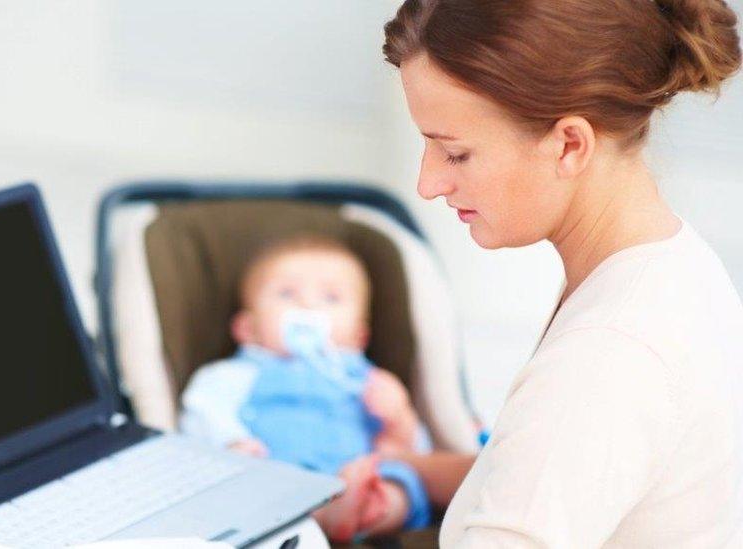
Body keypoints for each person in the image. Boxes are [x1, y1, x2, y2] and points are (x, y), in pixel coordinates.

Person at [382, 0, 743, 546]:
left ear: (570, 144)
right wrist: (408, 470)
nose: (427, 184)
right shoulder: (674, 267)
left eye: (454, 154)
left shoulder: (607, 354)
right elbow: (574, 475)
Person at [179, 235, 471, 542]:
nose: (308, 304)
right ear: (247, 329)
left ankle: (365, 512)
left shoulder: (369, 380)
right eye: (287, 293)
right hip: (275, 474)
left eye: (331, 298)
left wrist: (399, 417)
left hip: (359, 476)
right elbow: (203, 412)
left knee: (403, 484)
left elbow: (413, 452)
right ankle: (321, 516)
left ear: (359, 336)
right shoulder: (234, 375)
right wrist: (233, 443)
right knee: (242, 489)